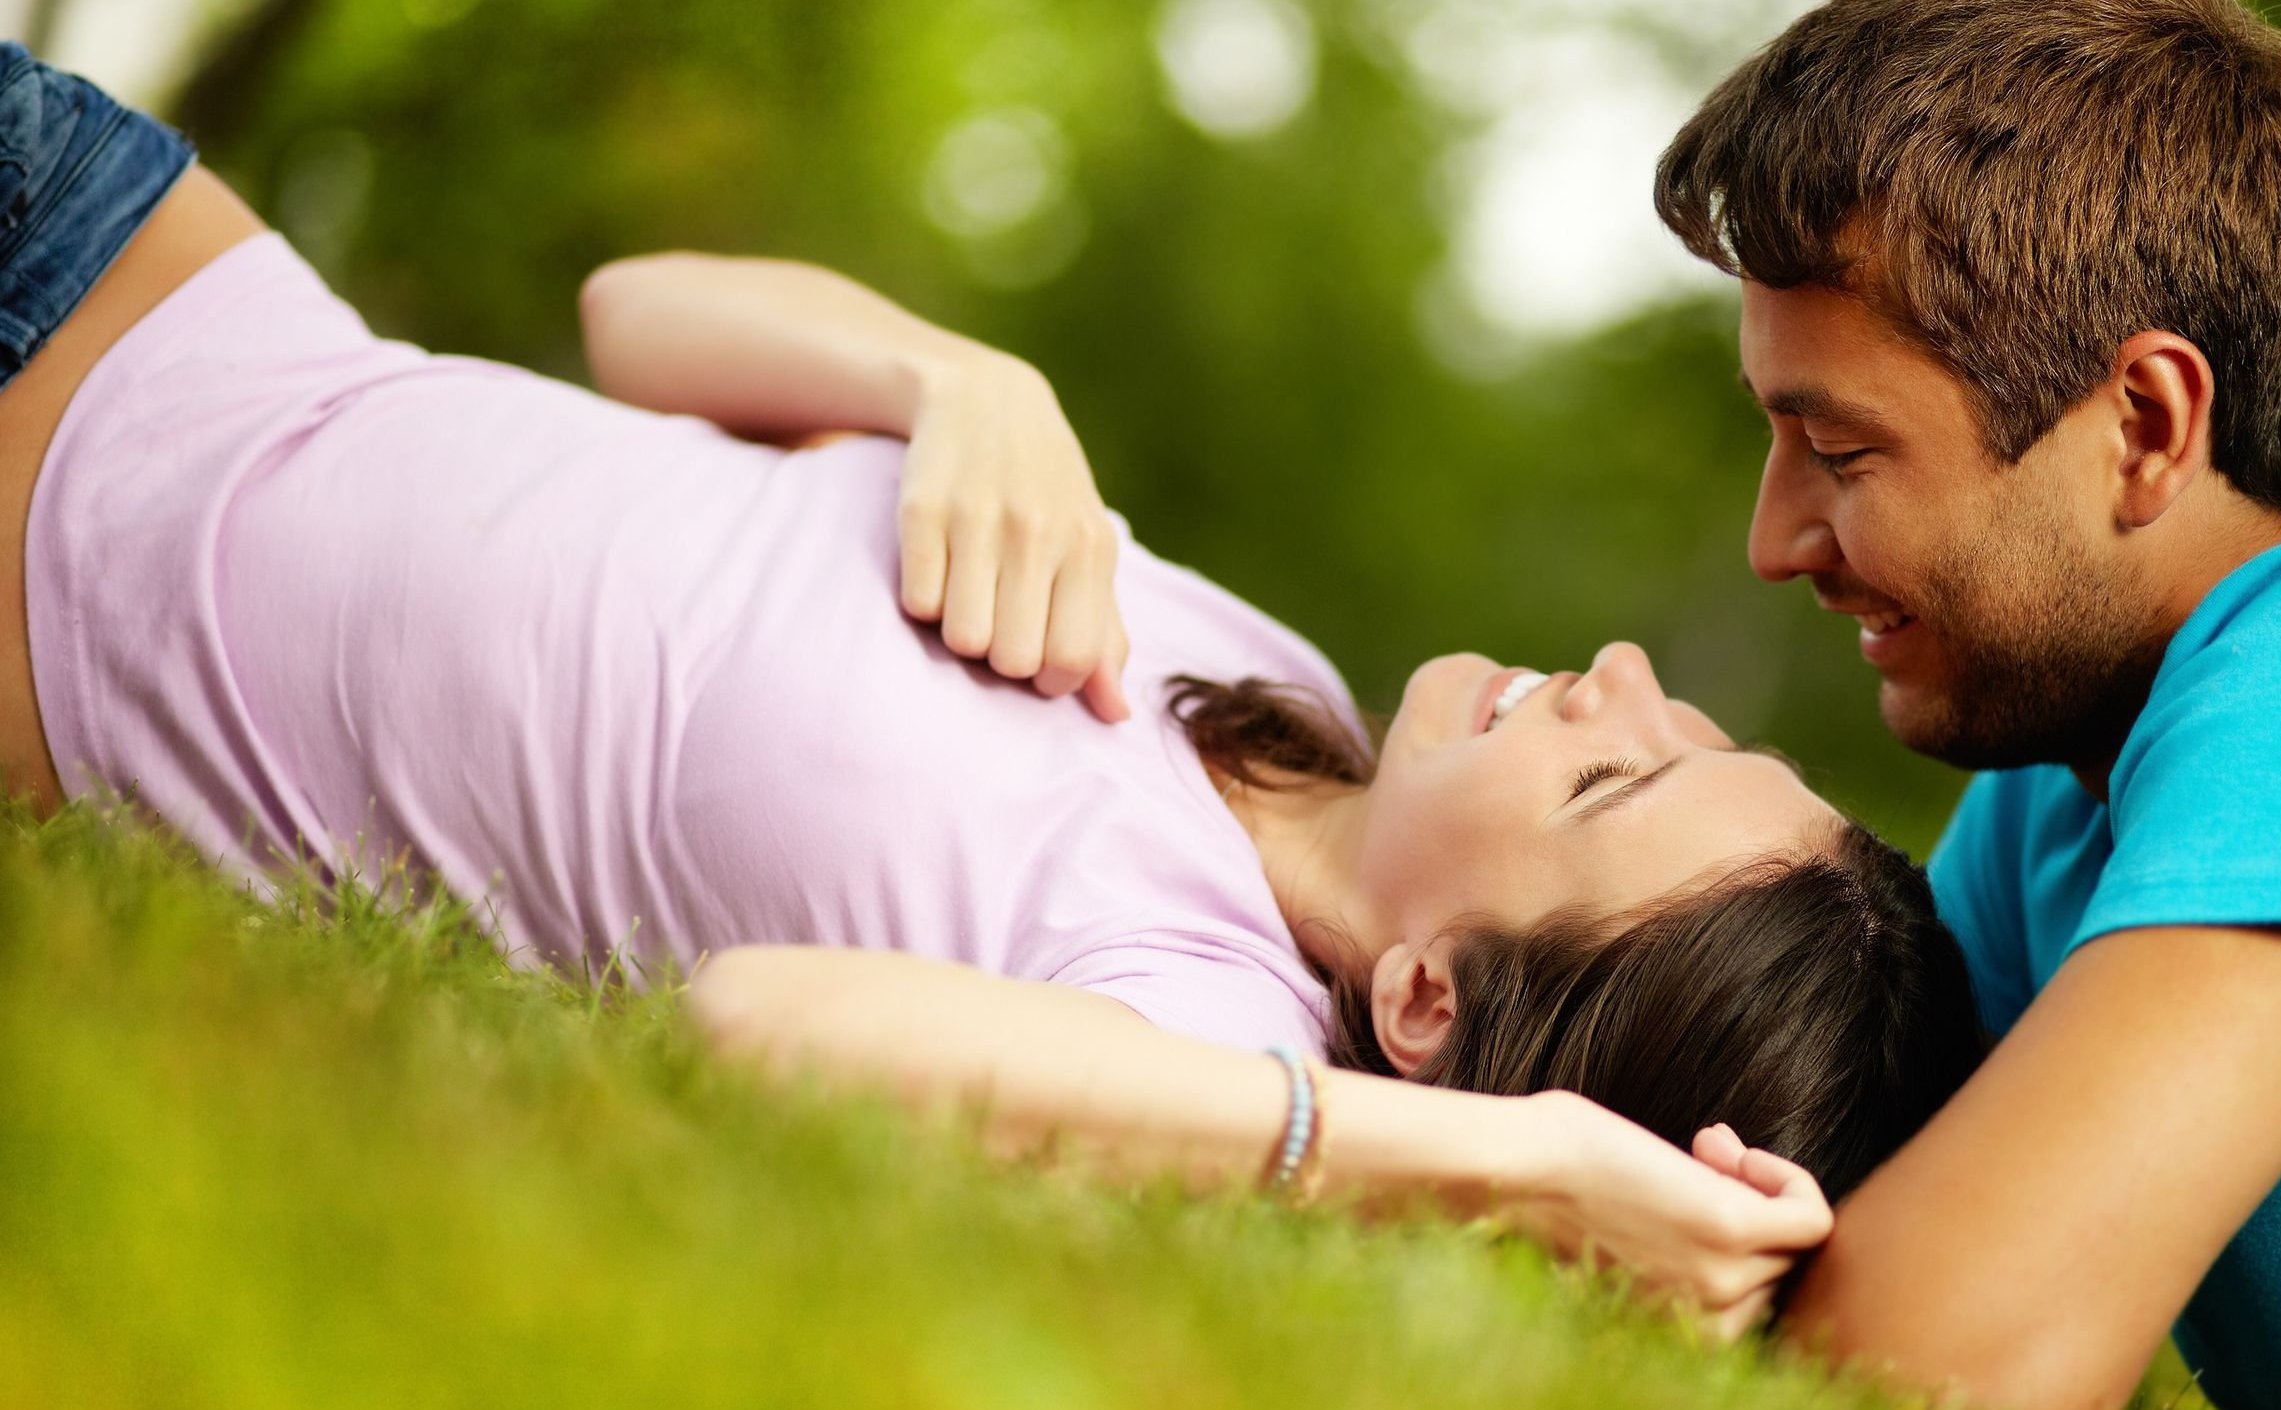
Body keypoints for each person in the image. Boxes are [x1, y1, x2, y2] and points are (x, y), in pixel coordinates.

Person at [0, 42, 1985, 1330]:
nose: (1624, 679)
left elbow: (763, 1029)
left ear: (1430, 997)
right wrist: (960, 381)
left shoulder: (1178, 1014)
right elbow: (641, 320)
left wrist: (1531, 1164)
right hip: (142, 261)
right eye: (1689, 724)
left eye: (1612, 785)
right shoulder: (1258, 675)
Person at [1655, 0, 2281, 1405]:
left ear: (2148, 427)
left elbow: (1953, 1354)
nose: (1776, 542)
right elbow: (1786, 1216)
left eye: (1841, 449)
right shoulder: (2056, 802)